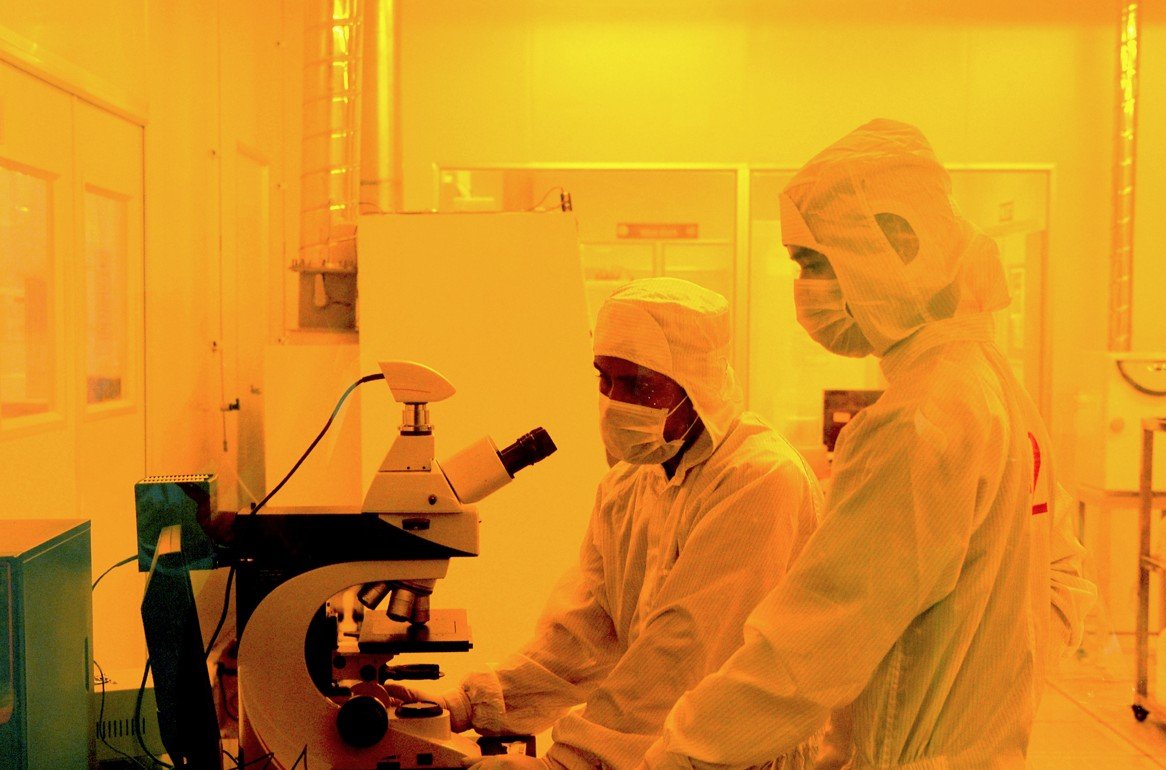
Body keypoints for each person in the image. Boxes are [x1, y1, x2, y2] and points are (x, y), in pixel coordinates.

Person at [639, 120, 1096, 770]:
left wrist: (680, 753)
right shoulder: (990, 385)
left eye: (815, 263)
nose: (805, 291)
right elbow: (1059, 581)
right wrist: (976, 693)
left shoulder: (917, 421)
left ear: (900, 244)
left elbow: (809, 650)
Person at [390, 277, 824, 770]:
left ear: (694, 384)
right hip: (666, 751)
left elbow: (680, 653)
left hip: (744, 757)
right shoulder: (629, 483)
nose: (616, 400)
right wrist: (464, 705)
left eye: (637, 384)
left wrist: (571, 763)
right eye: (605, 379)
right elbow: (585, 630)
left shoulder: (758, 478)